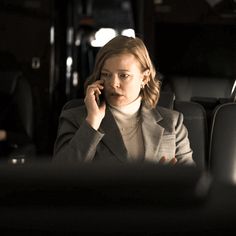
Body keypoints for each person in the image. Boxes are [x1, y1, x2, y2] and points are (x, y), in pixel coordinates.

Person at [53, 35, 194, 165]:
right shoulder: (75, 118)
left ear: (144, 78)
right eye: (106, 74)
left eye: (124, 75)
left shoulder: (172, 122)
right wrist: (92, 122)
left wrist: (166, 186)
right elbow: (60, 178)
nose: (113, 83)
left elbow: (192, 182)